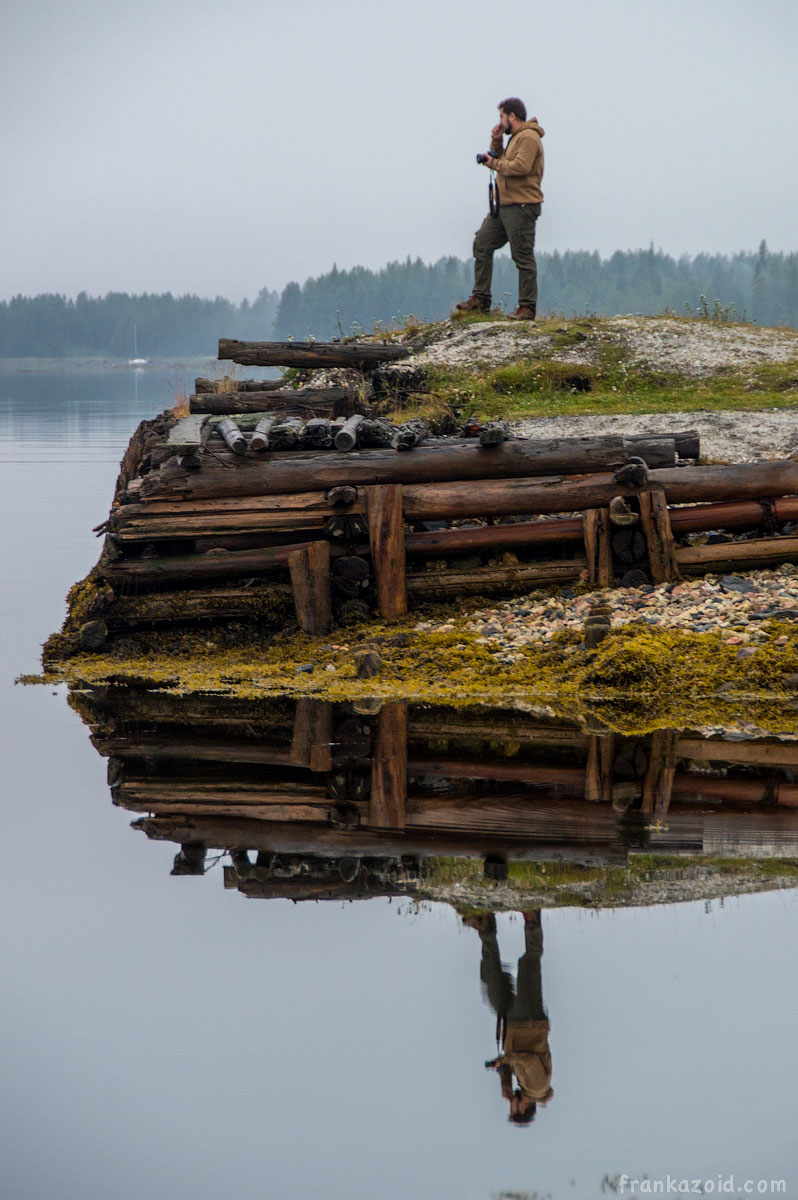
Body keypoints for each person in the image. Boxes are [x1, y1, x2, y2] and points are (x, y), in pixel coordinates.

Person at [455, 98, 545, 321]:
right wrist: (496, 143)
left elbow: (520, 167)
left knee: (522, 255)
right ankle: (480, 299)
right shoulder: (516, 138)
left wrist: (492, 163)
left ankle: (527, 308)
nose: (500, 121)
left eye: (501, 116)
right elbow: (505, 160)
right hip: (504, 206)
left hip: (522, 206)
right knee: (482, 243)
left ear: (511, 116)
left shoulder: (529, 137)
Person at [464, 909, 553, 1124]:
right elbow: (528, 1059)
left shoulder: (523, 1086)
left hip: (512, 1024)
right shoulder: (538, 1087)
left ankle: (486, 927)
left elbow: (514, 1063)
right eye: (513, 1109)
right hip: (530, 1022)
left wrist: (504, 1079)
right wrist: (503, 1061)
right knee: (529, 966)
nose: (511, 1104)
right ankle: (532, 920)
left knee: (491, 980)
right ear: (522, 1109)